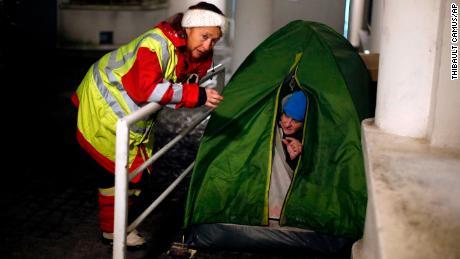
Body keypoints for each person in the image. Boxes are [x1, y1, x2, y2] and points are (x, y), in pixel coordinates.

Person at [71, 2, 225, 248]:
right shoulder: (154, 45)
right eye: (204, 36)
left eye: (214, 40)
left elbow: (179, 84)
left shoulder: (191, 49)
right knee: (113, 173)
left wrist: (192, 91)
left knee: (135, 172)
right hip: (103, 104)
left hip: (131, 115)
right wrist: (197, 95)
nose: (208, 45)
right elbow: (148, 89)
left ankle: (118, 225)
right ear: (188, 28)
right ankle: (113, 233)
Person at [268, 91, 307, 226]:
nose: (288, 123)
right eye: (286, 115)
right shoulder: (269, 126)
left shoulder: (305, 141)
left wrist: (296, 158)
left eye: (295, 120)